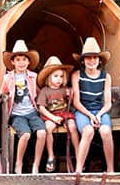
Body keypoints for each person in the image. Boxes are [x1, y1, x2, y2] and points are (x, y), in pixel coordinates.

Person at [1, 39, 46, 174]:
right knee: (25, 134)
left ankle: (36, 165)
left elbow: (39, 93)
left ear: (29, 62)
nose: (21, 63)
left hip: (32, 112)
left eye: (24, 60)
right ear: (13, 62)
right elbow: (2, 93)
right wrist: (4, 98)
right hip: (17, 114)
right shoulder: (8, 78)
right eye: (18, 60)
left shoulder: (33, 76)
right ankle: (18, 163)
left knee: (42, 133)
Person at [70, 37, 114, 173]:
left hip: (100, 111)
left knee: (105, 131)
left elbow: (107, 103)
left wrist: (99, 115)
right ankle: (79, 170)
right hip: (83, 111)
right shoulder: (77, 75)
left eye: (95, 58)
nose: (91, 61)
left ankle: (111, 169)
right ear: (83, 60)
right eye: (88, 58)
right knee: (88, 131)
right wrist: (90, 115)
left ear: (100, 60)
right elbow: (76, 102)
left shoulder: (106, 77)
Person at [36, 56, 80, 172]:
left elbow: (71, 101)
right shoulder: (45, 91)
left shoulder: (64, 89)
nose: (59, 79)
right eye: (55, 76)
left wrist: (70, 94)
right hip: (51, 115)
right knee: (48, 128)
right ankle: (51, 155)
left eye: (61, 76)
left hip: (64, 114)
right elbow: (41, 108)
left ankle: (78, 152)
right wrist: (53, 118)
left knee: (72, 125)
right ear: (48, 77)